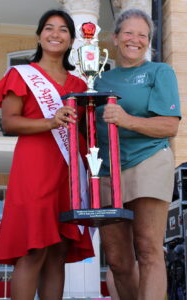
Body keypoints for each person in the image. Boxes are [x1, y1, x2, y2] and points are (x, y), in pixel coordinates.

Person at [0, 9, 94, 300]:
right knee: (34, 247)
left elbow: (86, 132)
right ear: (39, 35)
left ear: (71, 40)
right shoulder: (20, 74)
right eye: (49, 28)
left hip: (67, 171)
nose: (55, 34)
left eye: (63, 30)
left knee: (58, 250)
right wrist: (50, 122)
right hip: (34, 168)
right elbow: (10, 122)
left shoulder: (80, 85)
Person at [95, 8, 181, 300]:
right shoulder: (99, 80)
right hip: (107, 170)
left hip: (148, 162)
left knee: (147, 249)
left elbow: (169, 126)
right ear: (116, 38)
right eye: (128, 33)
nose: (135, 39)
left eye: (142, 35)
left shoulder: (160, 71)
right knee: (118, 260)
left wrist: (126, 120)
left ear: (149, 41)